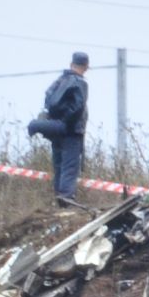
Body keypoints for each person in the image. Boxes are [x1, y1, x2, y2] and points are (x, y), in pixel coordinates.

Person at [27, 52, 89, 208]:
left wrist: (57, 123)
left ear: (71, 64)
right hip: (72, 131)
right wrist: (67, 122)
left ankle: (59, 201)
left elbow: (48, 102)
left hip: (56, 130)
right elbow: (78, 106)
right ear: (86, 66)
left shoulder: (59, 81)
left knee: (59, 166)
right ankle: (66, 200)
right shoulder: (80, 82)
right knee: (70, 167)